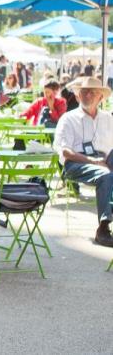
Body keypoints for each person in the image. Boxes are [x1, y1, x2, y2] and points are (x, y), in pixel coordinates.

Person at [54, 77, 113, 247]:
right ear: (78, 96)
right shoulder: (68, 118)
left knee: (108, 172)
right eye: (84, 92)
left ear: (100, 98)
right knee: (106, 175)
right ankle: (103, 229)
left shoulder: (108, 118)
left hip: (104, 159)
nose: (88, 95)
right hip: (75, 162)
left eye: (92, 92)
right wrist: (92, 161)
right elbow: (65, 151)